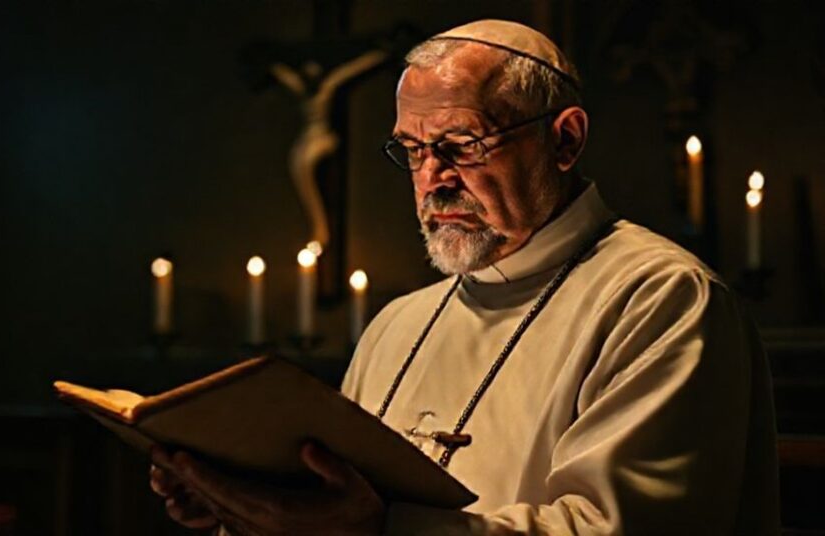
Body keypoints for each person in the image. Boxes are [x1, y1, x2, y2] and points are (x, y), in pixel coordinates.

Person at [149, 19, 779, 535]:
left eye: (462, 143)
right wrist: (246, 508)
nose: (433, 178)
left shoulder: (661, 298)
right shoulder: (399, 323)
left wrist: (381, 531)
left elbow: (620, 529)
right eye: (413, 150)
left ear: (564, 140)